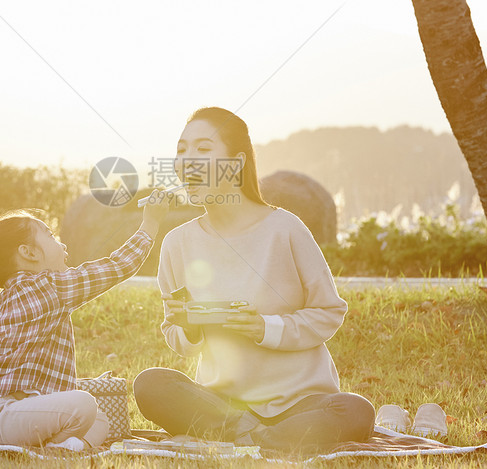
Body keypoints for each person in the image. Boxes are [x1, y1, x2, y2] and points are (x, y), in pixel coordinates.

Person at [133, 107, 375, 454]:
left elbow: (328, 312)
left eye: (203, 150)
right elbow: (179, 339)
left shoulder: (286, 229)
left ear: (236, 163)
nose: (187, 161)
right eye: (182, 150)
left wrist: (264, 328)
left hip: (299, 403)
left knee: (354, 411)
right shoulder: (177, 243)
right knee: (151, 384)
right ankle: (259, 437)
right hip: (221, 403)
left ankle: (247, 438)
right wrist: (187, 326)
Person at [0, 193, 170, 450]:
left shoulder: (20, 292)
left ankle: (61, 448)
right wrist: (151, 224)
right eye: (50, 235)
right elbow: (118, 266)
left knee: (100, 419)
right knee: (84, 405)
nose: (62, 244)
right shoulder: (42, 287)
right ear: (29, 253)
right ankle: (55, 450)